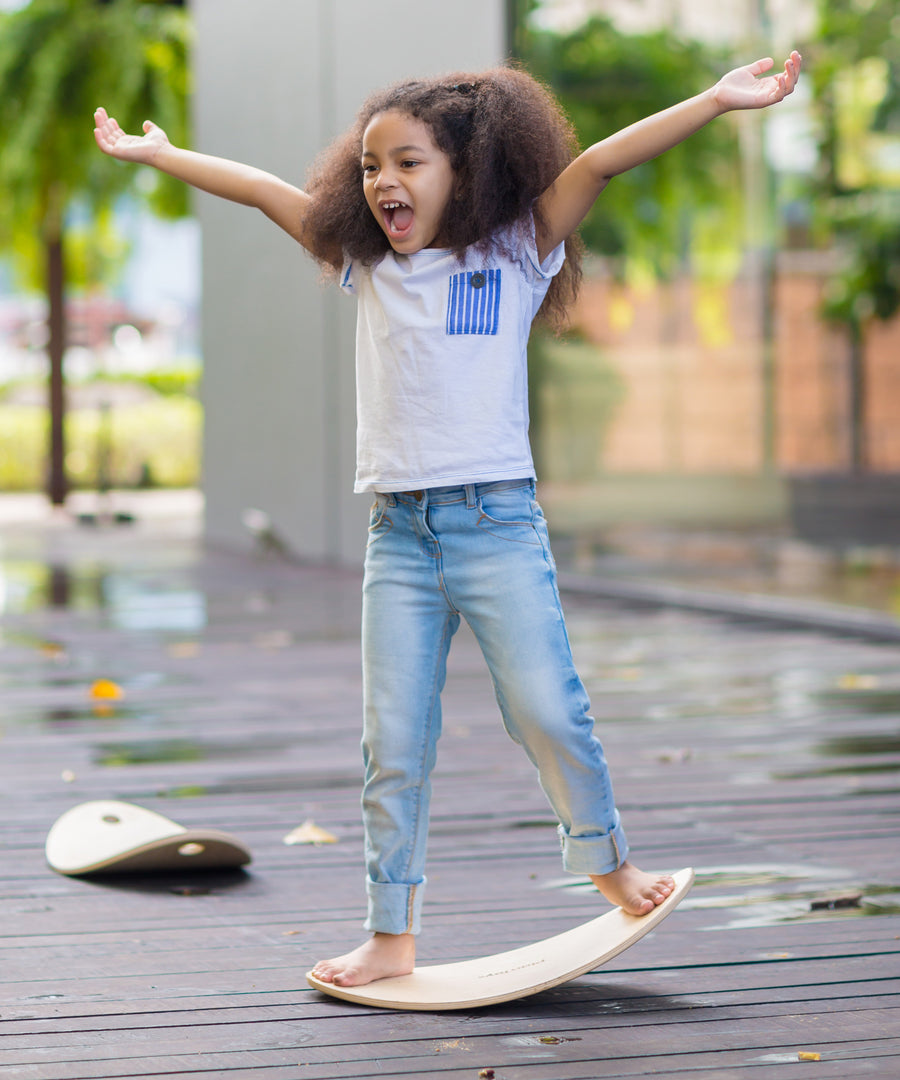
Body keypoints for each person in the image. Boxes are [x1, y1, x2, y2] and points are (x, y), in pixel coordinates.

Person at [94, 48, 801, 988]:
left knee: (549, 709)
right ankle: (392, 935)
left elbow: (597, 164)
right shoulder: (369, 265)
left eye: (408, 162)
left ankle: (609, 863)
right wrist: (162, 156)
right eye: (370, 167)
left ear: (465, 169)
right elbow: (264, 190)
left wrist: (715, 101)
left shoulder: (514, 249)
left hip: (496, 524)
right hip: (400, 537)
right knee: (394, 743)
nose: (384, 180)